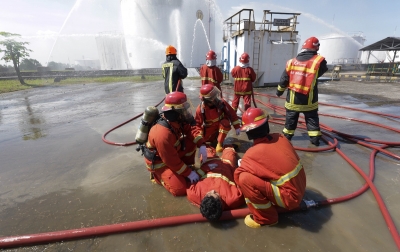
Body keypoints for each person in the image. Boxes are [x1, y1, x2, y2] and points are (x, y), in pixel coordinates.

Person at [234, 108, 306, 228]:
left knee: (244, 179)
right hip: (300, 187)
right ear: (266, 125)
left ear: (248, 133)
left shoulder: (252, 154)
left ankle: (266, 218)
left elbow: (237, 178)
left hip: (291, 199)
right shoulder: (280, 137)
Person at [143, 92, 207, 196]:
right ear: (174, 112)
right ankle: (157, 177)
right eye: (184, 110)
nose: (186, 113)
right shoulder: (162, 134)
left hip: (171, 153)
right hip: (161, 163)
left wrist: (202, 144)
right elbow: (170, 160)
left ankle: (183, 168)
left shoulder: (178, 120)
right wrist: (188, 173)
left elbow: (190, 130)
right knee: (180, 189)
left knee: (191, 142)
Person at [276, 36, 328, 146]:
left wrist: (279, 92)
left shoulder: (291, 62)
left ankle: (286, 140)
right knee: (312, 119)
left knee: (290, 121)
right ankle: (315, 141)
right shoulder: (319, 61)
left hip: (293, 100)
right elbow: (320, 72)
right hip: (310, 100)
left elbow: (284, 79)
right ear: (316, 47)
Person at [186, 146, 245, 221]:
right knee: (229, 150)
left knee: (205, 149)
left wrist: (205, 168)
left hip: (209, 162)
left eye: (208, 194)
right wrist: (240, 168)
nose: (213, 191)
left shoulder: (194, 194)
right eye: (216, 194)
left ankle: (211, 143)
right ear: (221, 203)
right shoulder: (233, 199)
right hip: (228, 165)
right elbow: (242, 184)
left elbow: (192, 179)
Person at [194, 84, 241, 153]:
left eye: (215, 96)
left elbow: (231, 113)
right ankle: (212, 142)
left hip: (220, 127)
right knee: (200, 143)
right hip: (208, 130)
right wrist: (200, 141)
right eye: (213, 97)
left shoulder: (222, 103)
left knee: (225, 123)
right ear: (206, 100)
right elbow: (196, 125)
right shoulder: (200, 109)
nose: (215, 99)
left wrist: (237, 126)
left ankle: (219, 144)